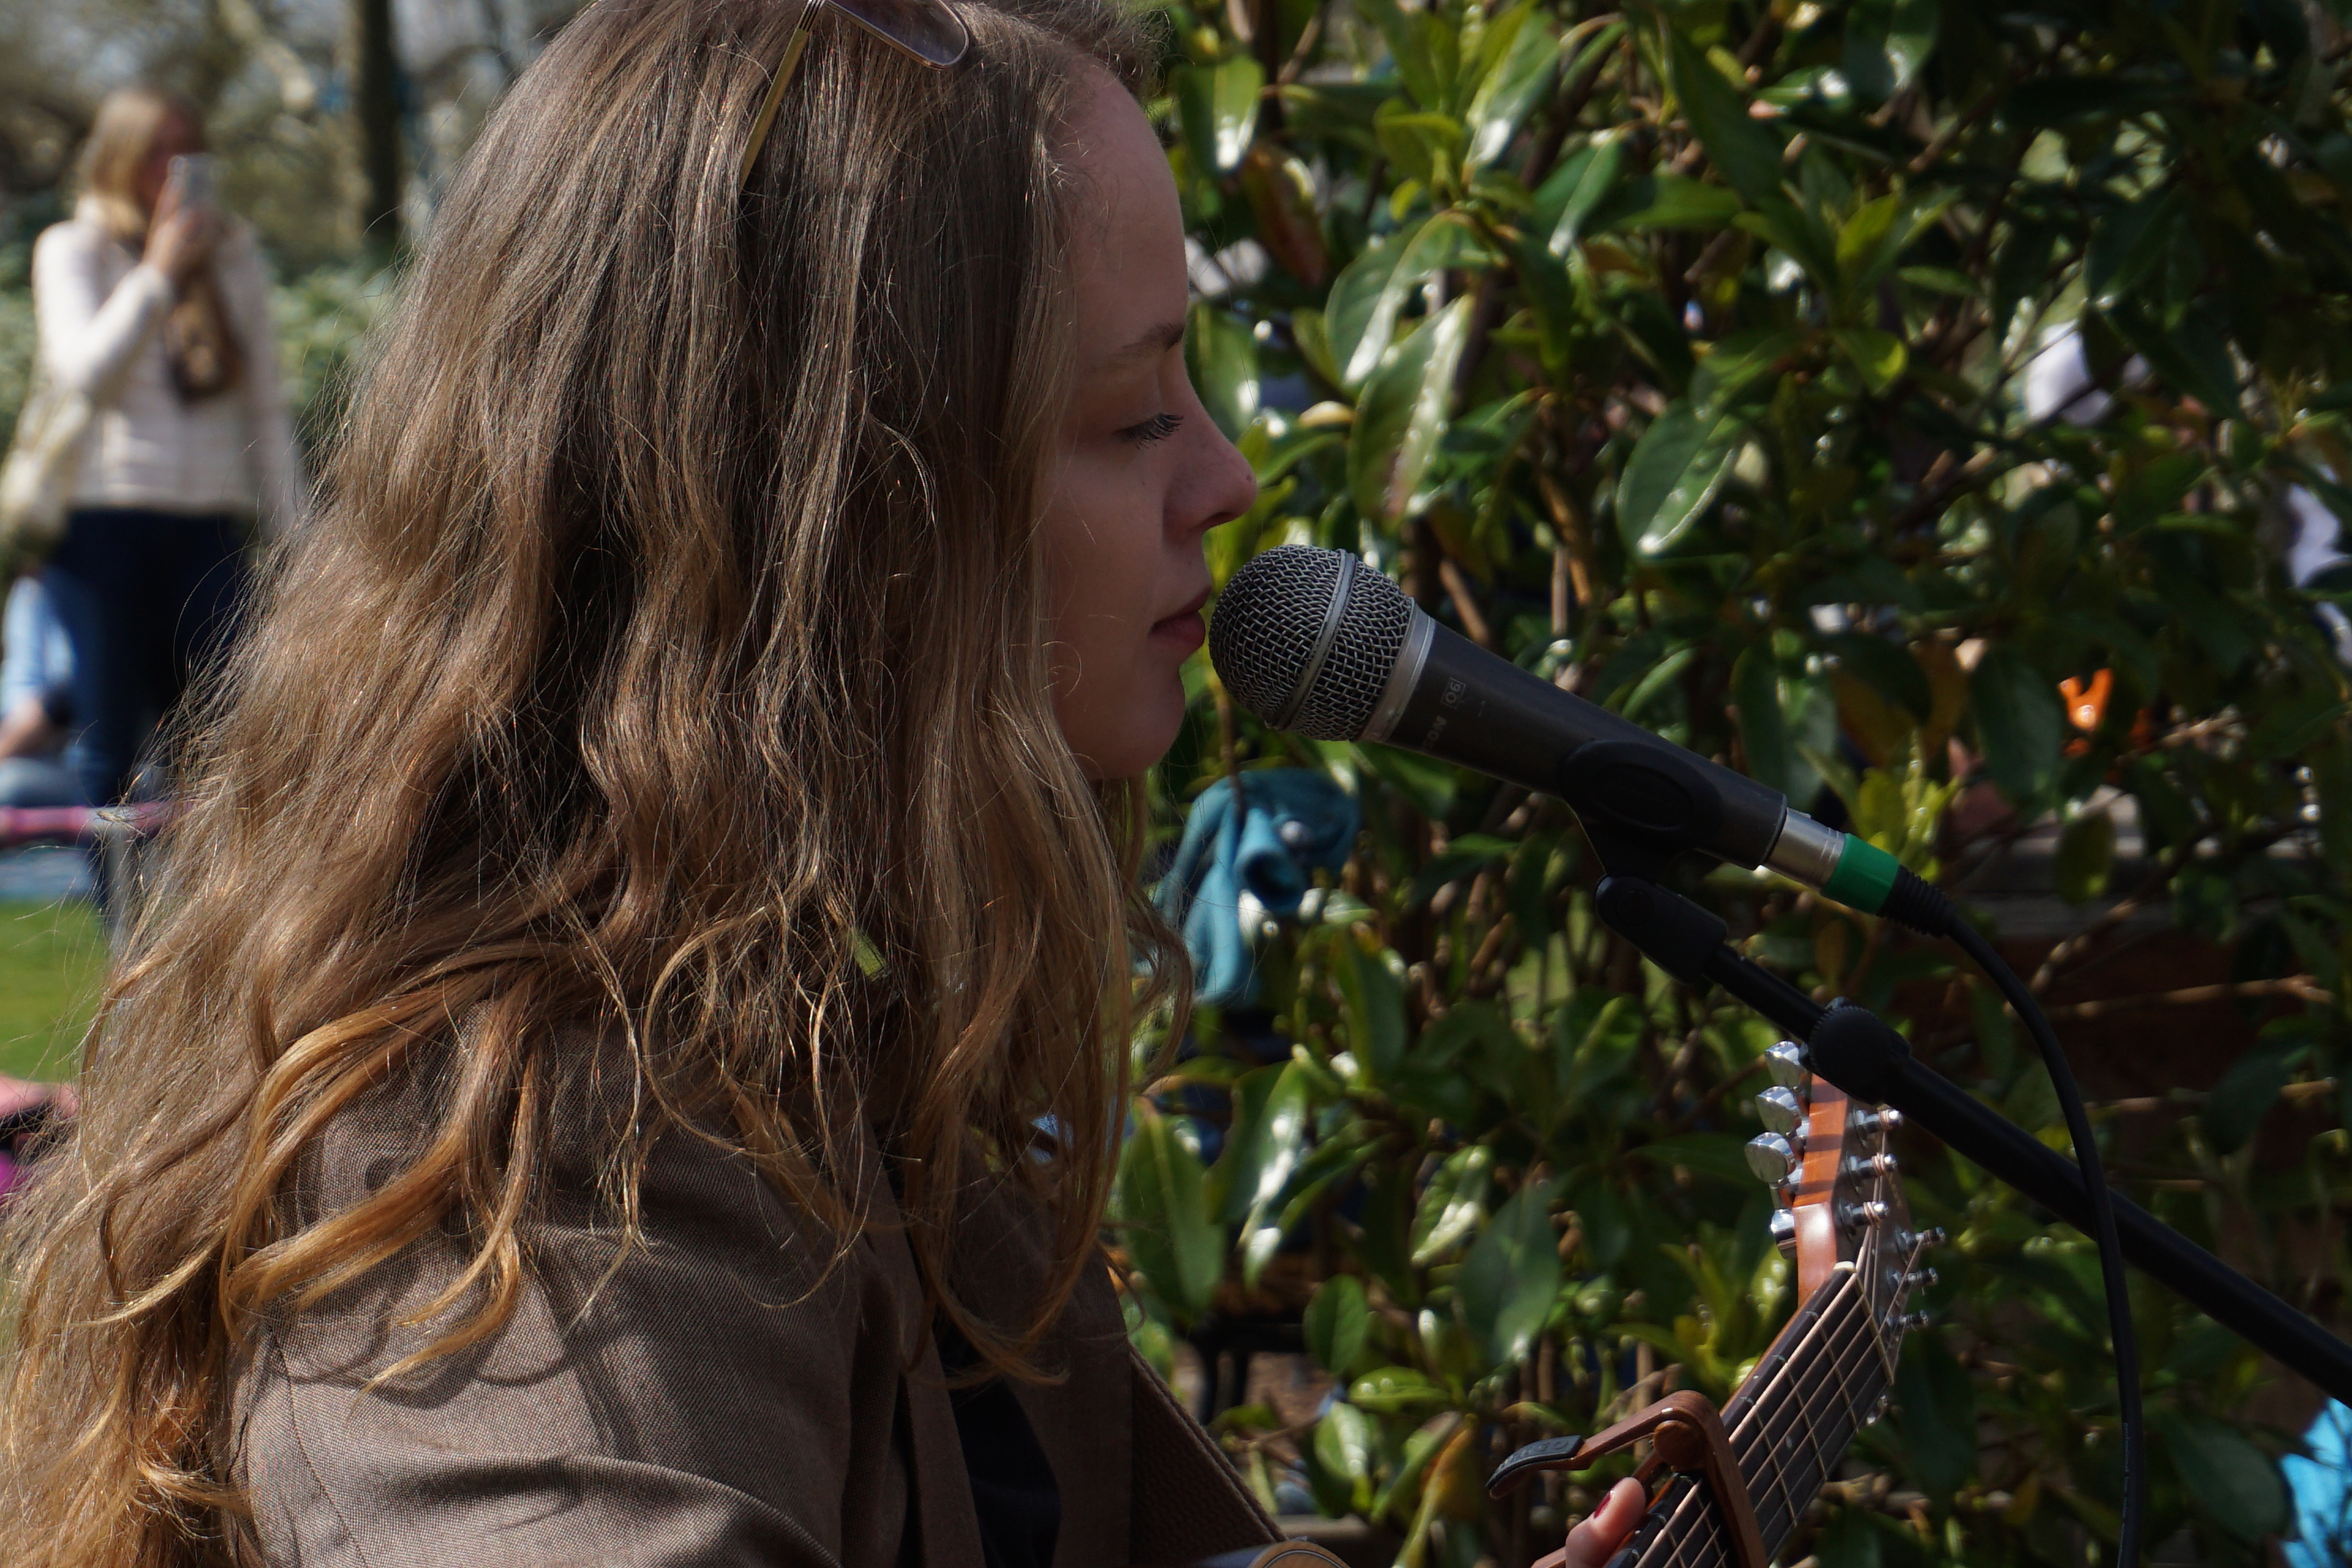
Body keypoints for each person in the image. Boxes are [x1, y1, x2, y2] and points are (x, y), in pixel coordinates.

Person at [0, 4, 1641, 1565]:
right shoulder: (517, 1203)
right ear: (848, 529)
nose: (1229, 477)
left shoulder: (830, 1050)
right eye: (1137, 413)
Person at [28, 87, 301, 828]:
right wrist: (157, 273)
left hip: (207, 528)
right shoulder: (72, 249)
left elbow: (265, 407)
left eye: (186, 149)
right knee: (107, 744)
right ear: (117, 159)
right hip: (102, 528)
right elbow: (83, 372)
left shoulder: (233, 256)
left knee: (229, 735)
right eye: (154, 150)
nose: (171, 168)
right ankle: (122, 923)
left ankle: (216, 920)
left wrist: (300, 544)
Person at [0, 576, 82, 808]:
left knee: (8, 786)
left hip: (89, 761)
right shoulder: (31, 589)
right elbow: (20, 698)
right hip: (36, 754)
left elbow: (61, 704)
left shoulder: (95, 588)